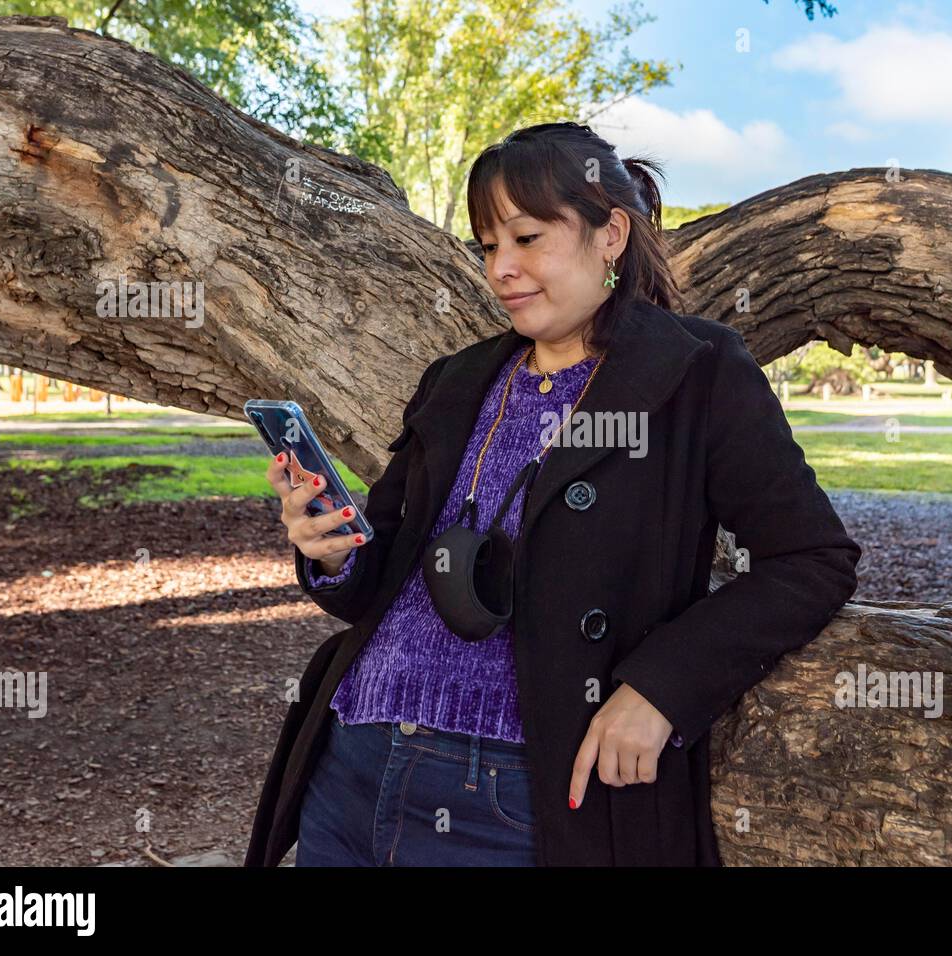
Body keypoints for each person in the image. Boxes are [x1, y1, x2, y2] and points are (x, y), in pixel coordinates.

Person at [249, 121, 861, 867]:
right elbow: (377, 573)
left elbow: (812, 558)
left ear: (611, 234)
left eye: (528, 238)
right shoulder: (459, 378)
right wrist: (331, 550)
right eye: (487, 247)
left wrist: (662, 689)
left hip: (514, 798)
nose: (501, 268)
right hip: (351, 763)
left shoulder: (696, 373)